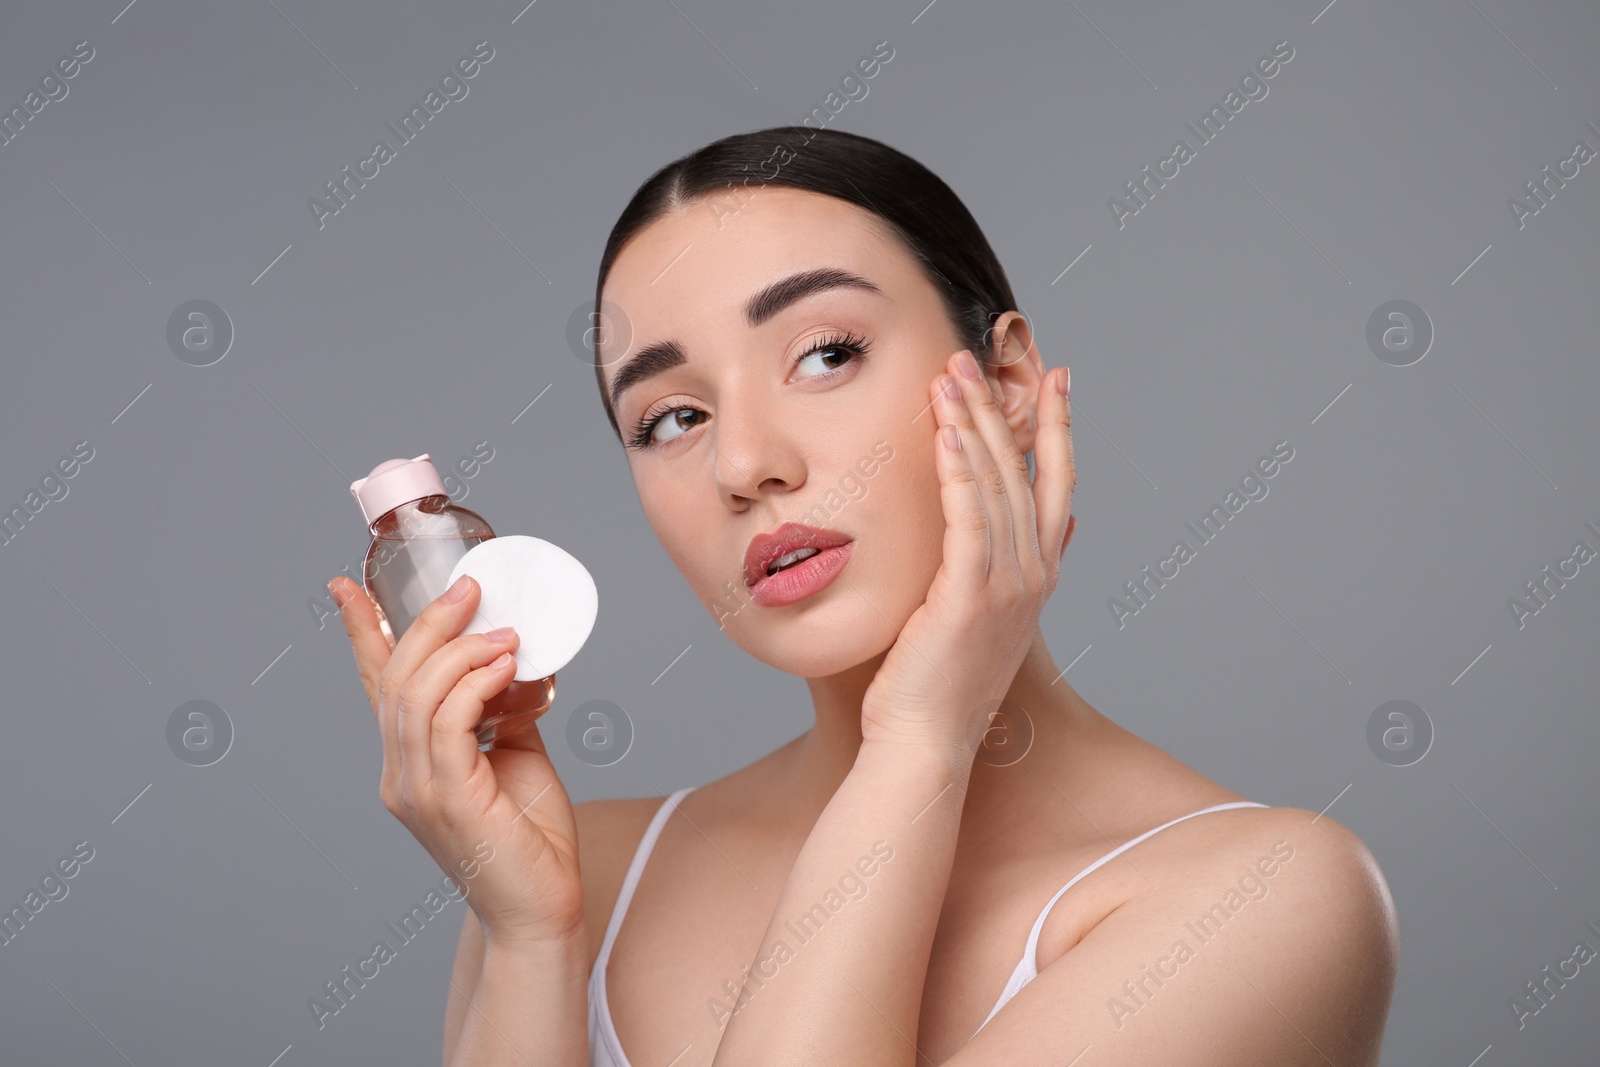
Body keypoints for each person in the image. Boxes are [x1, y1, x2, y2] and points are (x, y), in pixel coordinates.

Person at [330, 126, 1398, 1067]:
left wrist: (920, 741)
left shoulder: (1267, 898)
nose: (745, 461)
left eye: (826, 352)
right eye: (671, 418)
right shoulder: (575, 878)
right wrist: (530, 940)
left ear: (1010, 384)